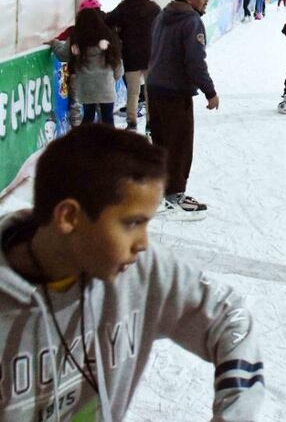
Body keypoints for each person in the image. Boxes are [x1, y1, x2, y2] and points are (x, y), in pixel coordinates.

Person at [0, 125, 265, 420]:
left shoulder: (140, 270)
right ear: (69, 217)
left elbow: (229, 315)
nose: (143, 244)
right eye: (131, 223)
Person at [146, 0, 218, 220]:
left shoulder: (162, 15)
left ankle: (159, 191)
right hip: (174, 92)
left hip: (154, 88)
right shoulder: (190, 21)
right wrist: (210, 91)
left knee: (161, 142)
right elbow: (195, 61)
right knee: (179, 145)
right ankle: (174, 195)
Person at [49, 9, 123, 125]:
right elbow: (116, 61)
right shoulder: (108, 36)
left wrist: (54, 43)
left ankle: (85, 141)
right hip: (106, 86)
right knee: (108, 119)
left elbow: (63, 55)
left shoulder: (77, 38)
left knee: (88, 117)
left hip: (86, 86)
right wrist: (117, 76)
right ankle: (110, 142)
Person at [106, 0, 161, 130]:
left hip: (131, 55)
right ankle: (151, 122)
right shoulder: (153, 7)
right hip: (150, 55)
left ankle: (132, 121)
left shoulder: (123, 8)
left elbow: (107, 20)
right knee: (150, 91)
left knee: (133, 92)